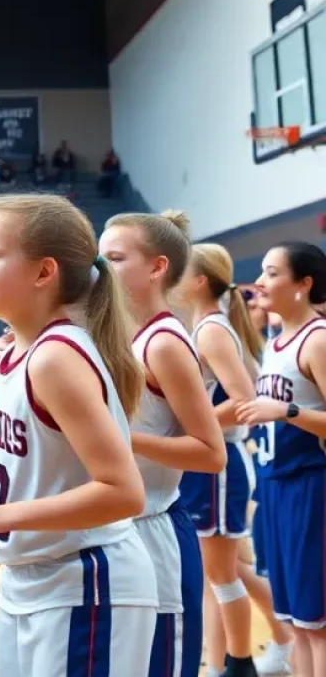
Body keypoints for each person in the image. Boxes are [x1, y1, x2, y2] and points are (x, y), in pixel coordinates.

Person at [0, 193, 157, 677]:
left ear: (43, 272)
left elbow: (124, 492)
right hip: (26, 577)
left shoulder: (56, 357)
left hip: (87, 575)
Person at [98, 211, 226, 677]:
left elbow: (211, 453)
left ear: (156, 267)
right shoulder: (115, 335)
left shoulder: (165, 342)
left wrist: (126, 438)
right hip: (113, 533)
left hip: (155, 532)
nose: (101, 267)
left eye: (114, 257)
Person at [237, 242, 326, 677]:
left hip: (309, 487)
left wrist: (287, 411)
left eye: (272, 273)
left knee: (318, 625)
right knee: (295, 622)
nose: (260, 282)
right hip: (273, 487)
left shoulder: (318, 340)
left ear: (304, 284)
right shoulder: (275, 342)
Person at [176, 243, 261, 677]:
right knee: (220, 576)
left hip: (220, 463)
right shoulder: (204, 326)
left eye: (181, 269)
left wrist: (192, 422)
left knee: (225, 575)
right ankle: (217, 665)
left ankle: (241, 664)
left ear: (200, 280)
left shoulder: (211, 330)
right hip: (209, 463)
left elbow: (247, 398)